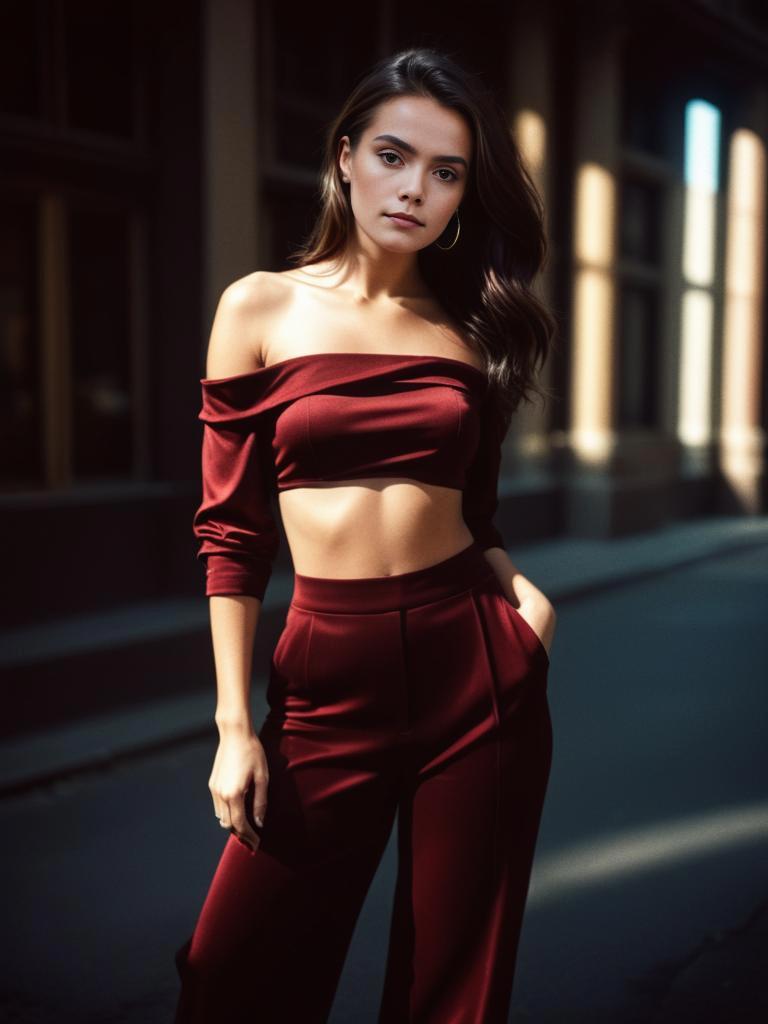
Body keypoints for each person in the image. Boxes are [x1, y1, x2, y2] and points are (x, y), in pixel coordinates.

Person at [174, 46, 558, 1024]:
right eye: (393, 155)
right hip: (325, 676)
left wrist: (522, 600)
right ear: (345, 158)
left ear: (465, 194)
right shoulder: (259, 307)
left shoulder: (470, 330)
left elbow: (474, 509)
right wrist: (230, 727)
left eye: (446, 171)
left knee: (451, 991)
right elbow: (232, 531)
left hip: (473, 659)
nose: (414, 189)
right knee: (233, 976)